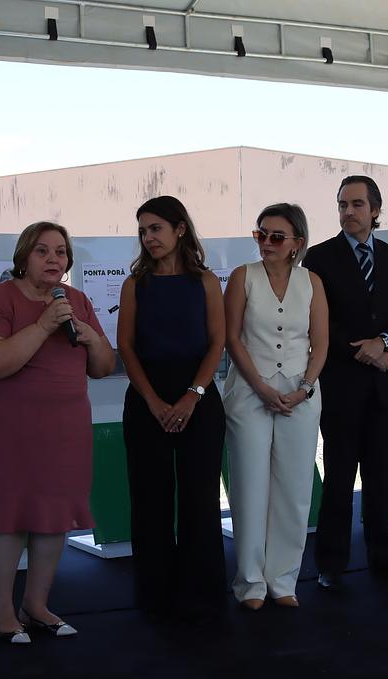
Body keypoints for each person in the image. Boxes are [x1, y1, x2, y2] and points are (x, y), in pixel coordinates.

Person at [0, 221, 116, 643]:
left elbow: (103, 368)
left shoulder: (77, 301)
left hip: (66, 429)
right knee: (9, 517)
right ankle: (1, 613)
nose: (54, 259)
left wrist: (93, 339)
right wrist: (44, 325)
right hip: (11, 430)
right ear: (23, 257)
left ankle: (36, 606)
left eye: (61, 252)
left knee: (54, 518)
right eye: (43, 251)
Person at [304, 176, 388, 590]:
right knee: (338, 480)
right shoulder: (318, 258)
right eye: (342, 204)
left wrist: (384, 342)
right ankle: (331, 565)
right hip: (340, 387)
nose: (348, 212)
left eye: (356, 204)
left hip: (384, 388)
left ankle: (385, 561)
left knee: (381, 480)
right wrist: (364, 350)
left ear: (375, 210)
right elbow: (317, 321)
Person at [118, 196, 227, 619]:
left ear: (180, 229)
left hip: (198, 398)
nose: (148, 237)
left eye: (156, 228)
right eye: (143, 230)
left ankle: (202, 590)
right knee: (150, 498)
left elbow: (217, 343)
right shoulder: (135, 285)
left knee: (201, 497)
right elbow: (127, 347)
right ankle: (155, 591)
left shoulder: (206, 282)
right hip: (146, 399)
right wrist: (153, 401)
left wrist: (191, 396)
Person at [223, 203, 327, 610]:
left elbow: (321, 344)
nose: (266, 242)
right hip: (250, 392)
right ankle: (250, 582)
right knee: (249, 486)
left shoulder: (312, 282)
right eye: (260, 234)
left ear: (297, 242)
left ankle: (283, 580)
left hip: (300, 395)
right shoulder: (242, 277)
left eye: (276, 236)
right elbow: (232, 338)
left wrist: (305, 388)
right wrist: (261, 387)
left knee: (295, 489)